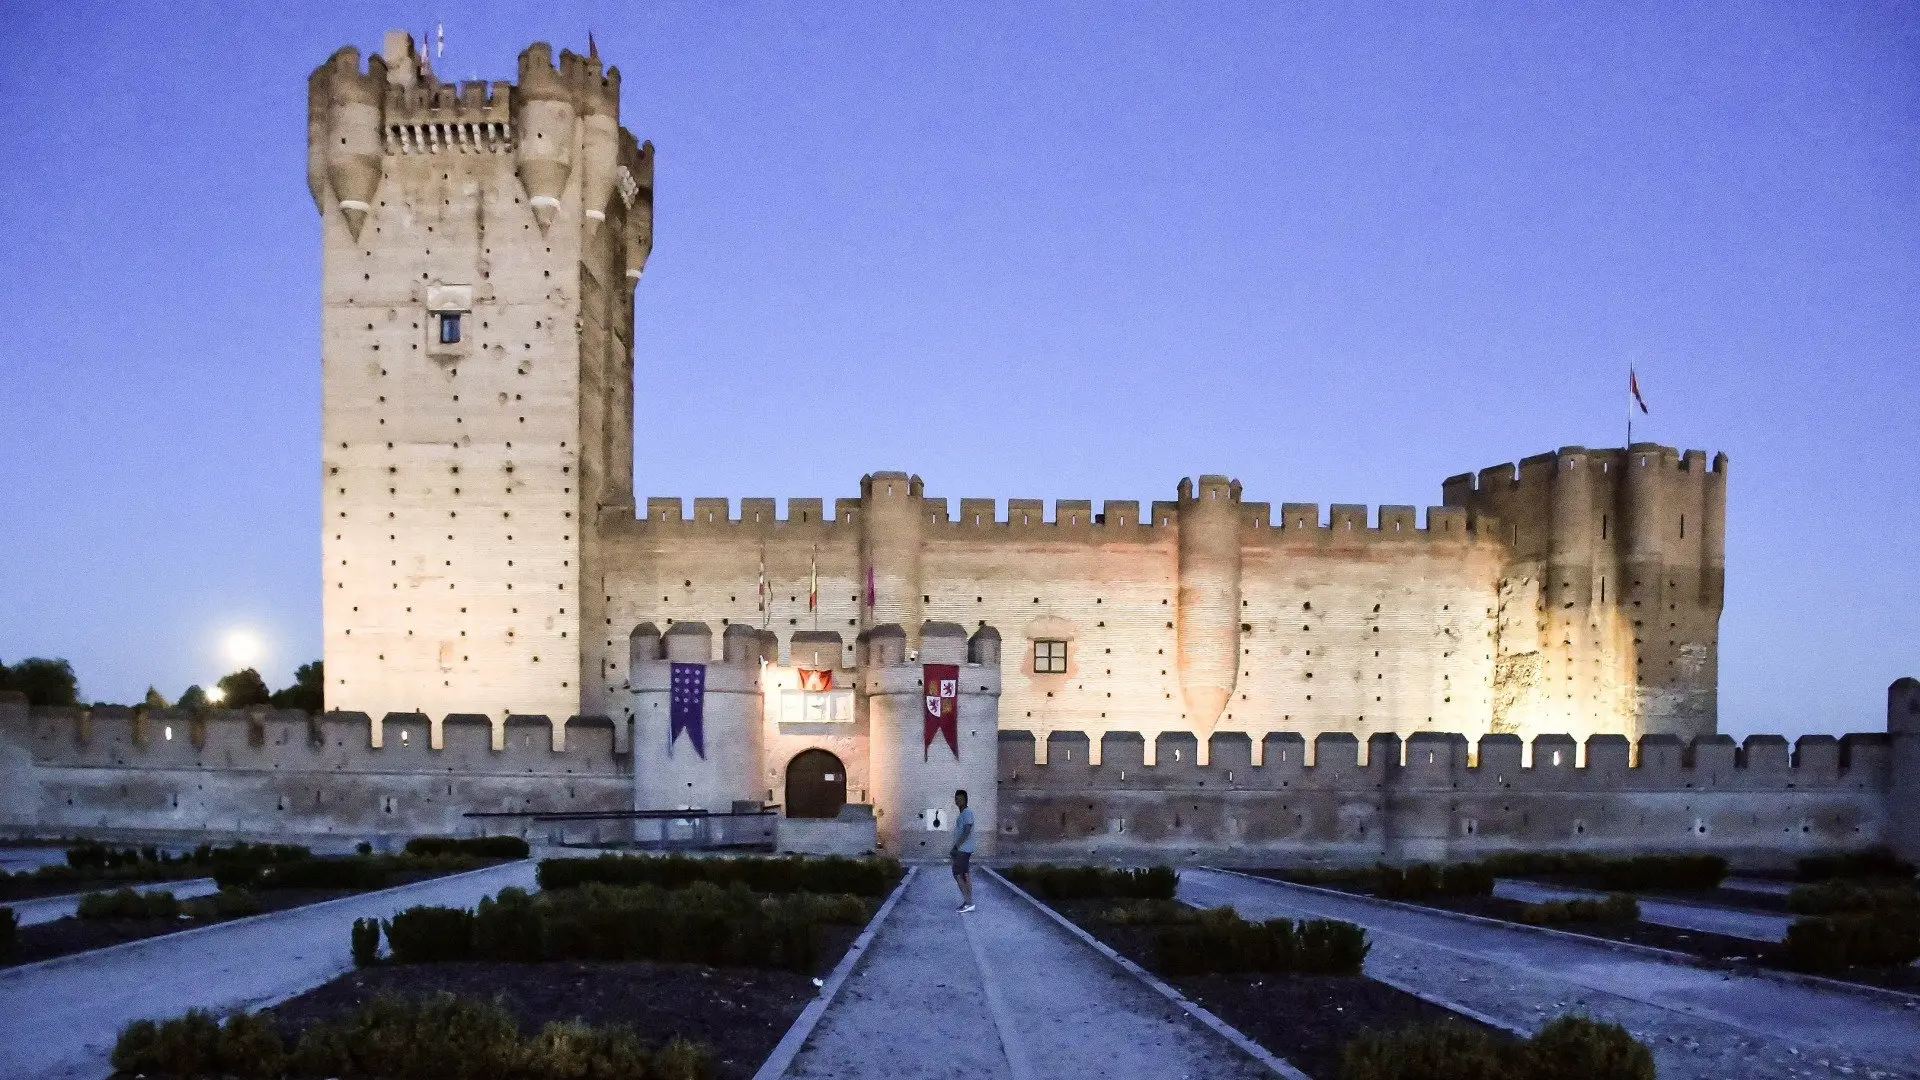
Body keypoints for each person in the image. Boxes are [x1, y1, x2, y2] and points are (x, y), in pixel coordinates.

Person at [950, 788, 975, 912]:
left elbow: (967, 831)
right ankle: (969, 901)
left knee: (957, 873)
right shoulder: (963, 813)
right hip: (963, 849)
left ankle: (968, 903)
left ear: (965, 800)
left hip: (963, 849)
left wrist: (956, 847)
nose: (957, 800)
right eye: (956, 798)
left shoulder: (967, 812)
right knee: (965, 874)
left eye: (959, 798)